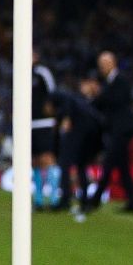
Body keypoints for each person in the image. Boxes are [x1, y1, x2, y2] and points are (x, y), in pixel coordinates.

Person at [90, 50, 133, 213]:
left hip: (122, 129)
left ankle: (96, 199)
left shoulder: (120, 81)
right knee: (122, 166)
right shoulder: (109, 83)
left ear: (111, 64)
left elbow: (115, 101)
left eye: (103, 65)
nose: (101, 68)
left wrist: (97, 95)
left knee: (109, 163)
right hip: (117, 129)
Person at [54, 78, 104, 218]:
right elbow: (66, 118)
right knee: (67, 166)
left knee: (81, 168)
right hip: (74, 139)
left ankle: (83, 200)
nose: (85, 86)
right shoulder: (76, 99)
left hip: (87, 141)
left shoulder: (98, 101)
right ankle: (66, 198)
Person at [30, 50, 58, 210]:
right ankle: (39, 199)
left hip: (44, 122)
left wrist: (52, 110)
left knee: (47, 158)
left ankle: (54, 198)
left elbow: (52, 92)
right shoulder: (22, 73)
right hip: (29, 124)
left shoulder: (42, 73)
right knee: (34, 161)